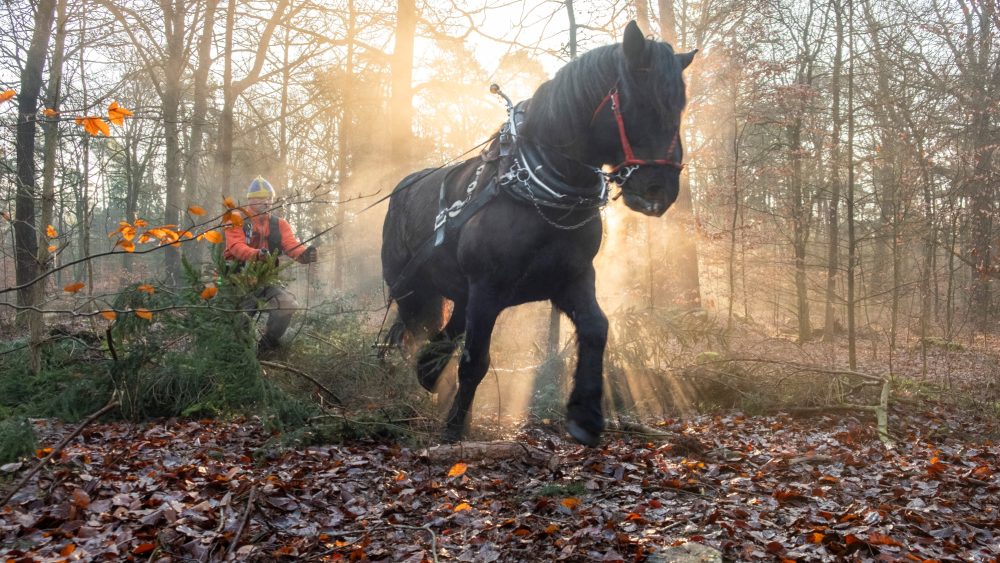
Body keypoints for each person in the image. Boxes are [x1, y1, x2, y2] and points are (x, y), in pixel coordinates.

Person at [224, 176, 318, 356]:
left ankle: (266, 349)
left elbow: (292, 245)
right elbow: (235, 247)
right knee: (240, 322)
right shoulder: (236, 219)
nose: (265, 202)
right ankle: (239, 358)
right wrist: (256, 255)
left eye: (268, 198)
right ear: (250, 200)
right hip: (238, 280)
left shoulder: (279, 224)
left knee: (287, 303)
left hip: (266, 280)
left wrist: (305, 254)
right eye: (260, 198)